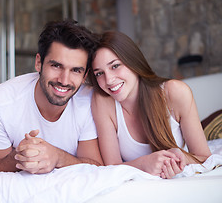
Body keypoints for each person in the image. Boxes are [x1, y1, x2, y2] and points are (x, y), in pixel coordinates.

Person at [0, 20, 103, 174]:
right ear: (38, 62)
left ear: (85, 75)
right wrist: (19, 155)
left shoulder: (89, 100)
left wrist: (57, 156)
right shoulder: (0, 101)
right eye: (56, 66)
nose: (64, 80)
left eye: (76, 70)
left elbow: (95, 166)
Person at [90, 31, 211, 179]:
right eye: (99, 73)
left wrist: (179, 159)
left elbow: (203, 156)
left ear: (133, 61)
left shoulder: (175, 92)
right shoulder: (103, 102)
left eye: (115, 66)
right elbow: (111, 166)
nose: (108, 80)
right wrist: (143, 163)